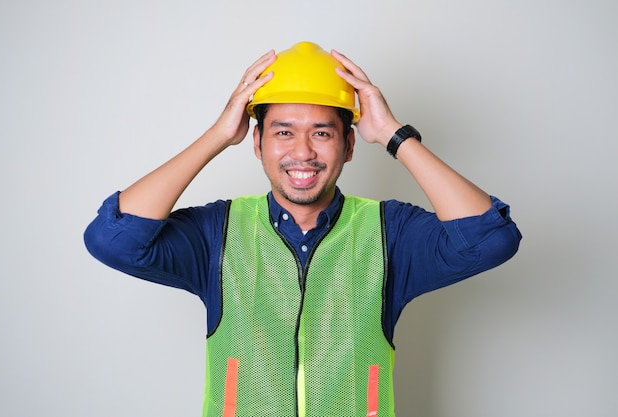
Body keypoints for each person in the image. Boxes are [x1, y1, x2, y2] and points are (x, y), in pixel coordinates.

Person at [84, 41, 521, 416]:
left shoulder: (390, 234)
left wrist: (392, 133)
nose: (302, 152)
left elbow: (491, 238)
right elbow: (114, 239)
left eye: (323, 134)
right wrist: (218, 135)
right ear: (257, 142)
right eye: (283, 132)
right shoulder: (217, 233)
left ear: (349, 145)